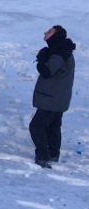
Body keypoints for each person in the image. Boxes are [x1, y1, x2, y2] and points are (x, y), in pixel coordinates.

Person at [29, 25, 75, 169]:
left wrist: (42, 58)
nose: (45, 33)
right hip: (58, 97)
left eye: (49, 32)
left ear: (56, 35)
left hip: (52, 98)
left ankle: (43, 157)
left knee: (36, 127)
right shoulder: (61, 50)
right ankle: (53, 153)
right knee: (53, 127)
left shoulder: (60, 52)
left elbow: (47, 71)